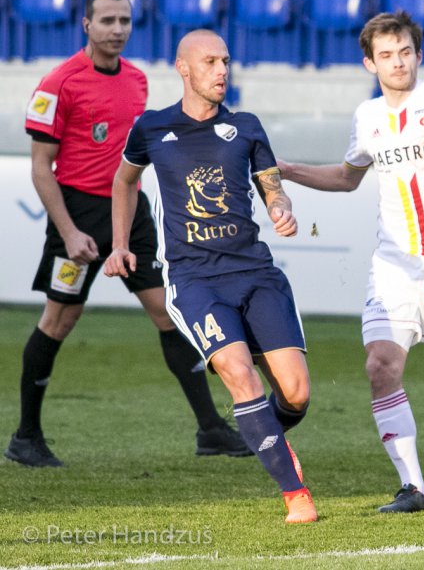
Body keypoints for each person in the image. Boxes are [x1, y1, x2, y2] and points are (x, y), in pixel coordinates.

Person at [278, 11, 424, 513]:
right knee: (380, 366)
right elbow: (348, 177)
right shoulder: (367, 117)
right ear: (370, 63)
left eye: (405, 52)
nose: (397, 63)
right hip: (393, 264)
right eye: (386, 55)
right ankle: (414, 487)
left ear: (418, 54)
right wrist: (288, 169)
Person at [6, 0, 249, 469]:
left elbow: (133, 162)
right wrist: (69, 232)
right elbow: (40, 168)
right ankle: (25, 436)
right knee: (59, 320)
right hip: (77, 215)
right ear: (87, 25)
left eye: (124, 20)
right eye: (107, 20)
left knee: (168, 314)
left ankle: (210, 429)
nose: (117, 29)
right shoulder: (58, 84)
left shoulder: (137, 80)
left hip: (131, 214)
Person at [103, 29, 316, 524]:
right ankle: (296, 494)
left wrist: (281, 208)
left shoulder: (246, 126)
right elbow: (124, 181)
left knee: (296, 394)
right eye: (211, 62)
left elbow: (272, 187)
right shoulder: (151, 127)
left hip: (255, 272)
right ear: (183, 68)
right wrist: (120, 244)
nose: (222, 71)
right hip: (194, 278)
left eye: (225, 61)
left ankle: (269, 435)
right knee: (238, 372)